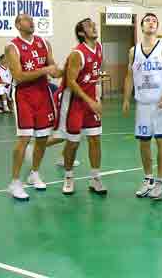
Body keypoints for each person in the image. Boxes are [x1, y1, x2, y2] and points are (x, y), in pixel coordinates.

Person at [5, 13, 62, 201]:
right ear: (17, 24)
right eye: (26, 19)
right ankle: (14, 183)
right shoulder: (12, 47)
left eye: (32, 19)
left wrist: (61, 69)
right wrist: (46, 70)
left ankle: (34, 173)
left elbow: (53, 66)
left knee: (43, 137)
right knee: (24, 138)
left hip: (43, 93)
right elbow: (19, 76)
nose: (31, 22)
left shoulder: (44, 43)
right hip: (24, 95)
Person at [122, 13, 162, 201]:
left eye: (154, 20)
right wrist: (126, 98)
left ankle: (160, 181)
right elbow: (129, 76)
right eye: (148, 20)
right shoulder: (134, 51)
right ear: (142, 26)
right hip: (143, 103)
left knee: (161, 141)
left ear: (157, 26)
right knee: (144, 142)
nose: (151, 22)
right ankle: (148, 179)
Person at [53, 18, 107, 196]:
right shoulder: (78, 53)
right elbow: (71, 82)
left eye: (94, 24)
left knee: (95, 140)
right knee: (73, 143)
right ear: (82, 33)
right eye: (89, 26)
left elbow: (94, 75)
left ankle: (95, 178)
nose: (94, 27)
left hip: (90, 100)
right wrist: (89, 100)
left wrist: (97, 97)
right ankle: (68, 177)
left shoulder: (98, 48)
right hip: (74, 102)